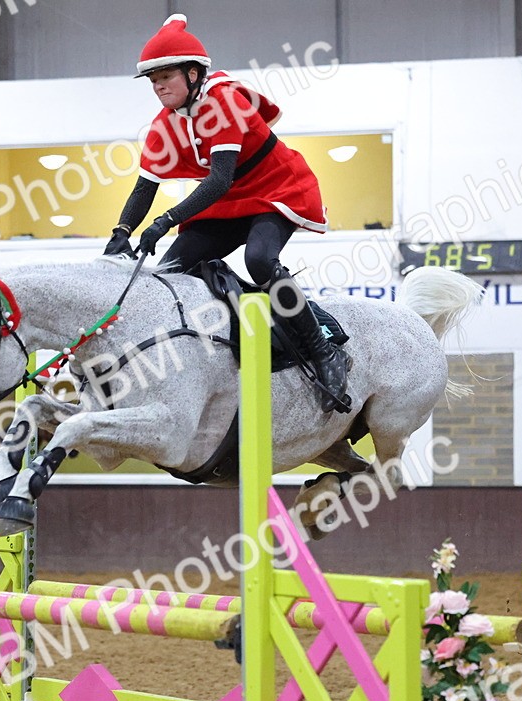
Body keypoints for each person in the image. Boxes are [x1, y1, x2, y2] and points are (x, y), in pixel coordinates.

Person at [104, 14, 348, 412]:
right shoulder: (163, 125)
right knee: (169, 274)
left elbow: (218, 180)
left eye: (166, 76)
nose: (158, 86)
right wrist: (122, 230)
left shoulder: (224, 101)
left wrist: (165, 222)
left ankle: (322, 348)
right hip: (230, 201)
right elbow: (145, 186)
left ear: (195, 73)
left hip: (275, 188)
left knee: (259, 259)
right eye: (153, 80)